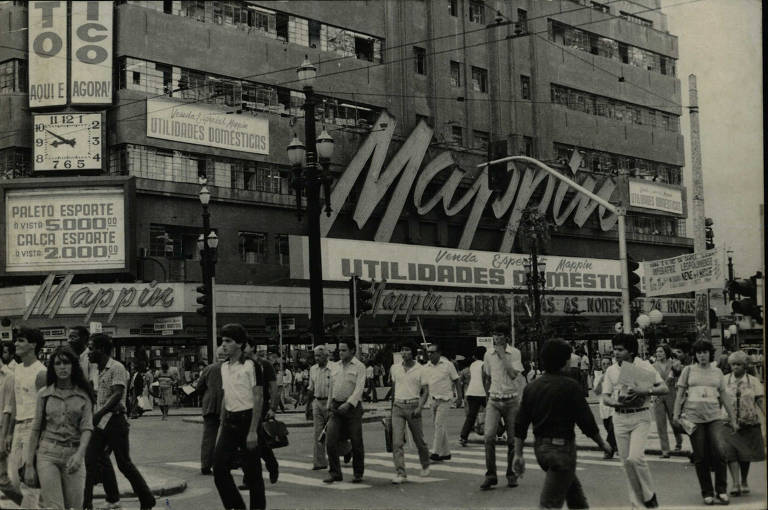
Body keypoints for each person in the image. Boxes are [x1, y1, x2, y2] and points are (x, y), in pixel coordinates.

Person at [513, 339, 613, 509]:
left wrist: (518, 454)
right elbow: (586, 422)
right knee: (549, 504)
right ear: (565, 361)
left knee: (574, 494)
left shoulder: (532, 387)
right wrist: (602, 443)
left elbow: (520, 424)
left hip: (541, 450)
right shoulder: (571, 387)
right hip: (562, 450)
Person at [83, 333, 155, 510]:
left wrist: (99, 413)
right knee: (91, 461)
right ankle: (86, 504)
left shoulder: (117, 367)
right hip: (100, 424)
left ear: (101, 349)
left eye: (91, 348)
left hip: (115, 421)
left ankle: (147, 498)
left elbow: (117, 393)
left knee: (124, 464)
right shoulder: (94, 369)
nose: (88, 352)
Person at [602, 333, 668, 509]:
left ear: (631, 351)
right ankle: (637, 504)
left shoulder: (644, 366)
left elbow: (663, 388)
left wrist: (645, 391)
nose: (616, 353)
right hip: (620, 417)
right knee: (626, 464)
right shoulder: (611, 370)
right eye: (614, 349)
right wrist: (615, 402)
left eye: (620, 349)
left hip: (640, 416)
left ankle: (649, 495)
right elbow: (605, 396)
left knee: (635, 458)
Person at [25, 346, 94, 510]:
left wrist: (79, 455)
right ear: (52, 367)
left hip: (73, 456)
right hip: (48, 455)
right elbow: (35, 430)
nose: (62, 367)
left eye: (66, 363)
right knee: (54, 507)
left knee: (75, 506)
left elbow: (87, 428)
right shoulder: (44, 394)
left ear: (73, 366)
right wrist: (29, 465)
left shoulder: (84, 395)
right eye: (58, 363)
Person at [673, 340, 737, 506]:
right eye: (699, 352)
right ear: (695, 354)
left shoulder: (717, 372)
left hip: (714, 417)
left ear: (710, 353)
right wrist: (675, 415)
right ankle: (707, 492)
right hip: (694, 419)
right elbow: (679, 394)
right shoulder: (688, 371)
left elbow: (724, 396)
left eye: (705, 352)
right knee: (700, 456)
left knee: (720, 452)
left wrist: (733, 418)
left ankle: (721, 491)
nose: (702, 355)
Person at [212, 324, 266, 510]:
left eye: (228, 341)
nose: (223, 345)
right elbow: (227, 395)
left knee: (252, 474)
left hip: (248, 420)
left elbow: (258, 397)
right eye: (222, 341)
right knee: (218, 468)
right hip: (229, 421)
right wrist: (221, 423)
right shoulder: (224, 367)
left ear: (240, 343)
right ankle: (235, 506)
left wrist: (253, 431)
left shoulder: (252, 366)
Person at [0, 327, 47, 508]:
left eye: (21, 340)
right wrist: (8, 433)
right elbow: (12, 405)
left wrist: (39, 439)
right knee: (15, 479)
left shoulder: (41, 372)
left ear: (33, 345)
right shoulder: (16, 370)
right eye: (16, 340)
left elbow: (44, 411)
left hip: (34, 430)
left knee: (30, 482)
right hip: (18, 428)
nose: (16, 344)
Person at [480, 332, 524, 490]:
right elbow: (487, 375)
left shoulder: (515, 353)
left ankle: (511, 474)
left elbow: (513, 374)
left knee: (512, 440)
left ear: (506, 338)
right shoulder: (487, 354)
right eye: (494, 336)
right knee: (489, 437)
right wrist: (486, 398)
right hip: (494, 400)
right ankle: (490, 475)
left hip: (511, 400)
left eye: (500, 335)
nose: (496, 339)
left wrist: (502, 355)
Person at [721, 350, 765, 497]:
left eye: (739, 364)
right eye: (733, 364)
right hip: (728, 423)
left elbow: (760, 401)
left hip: (749, 423)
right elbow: (717, 400)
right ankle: (735, 483)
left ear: (745, 365)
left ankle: (744, 480)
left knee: (745, 455)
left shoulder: (753, 381)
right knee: (730, 453)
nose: (735, 367)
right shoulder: (724, 380)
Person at [324, 339, 366, 484]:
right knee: (330, 440)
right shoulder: (335, 366)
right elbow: (331, 386)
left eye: (344, 350)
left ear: (352, 350)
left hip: (352, 408)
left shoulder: (359, 367)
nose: (340, 353)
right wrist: (329, 404)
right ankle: (335, 472)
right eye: (339, 350)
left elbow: (359, 388)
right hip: (336, 406)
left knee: (356, 440)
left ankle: (358, 473)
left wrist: (349, 403)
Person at [389, 341, 431, 484]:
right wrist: (391, 408)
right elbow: (394, 388)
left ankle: (425, 463)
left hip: (413, 404)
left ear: (413, 352)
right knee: (397, 442)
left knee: (419, 440)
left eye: (407, 350)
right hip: (398, 406)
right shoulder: (395, 368)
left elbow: (425, 391)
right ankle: (401, 473)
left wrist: (420, 407)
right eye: (402, 350)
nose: (404, 353)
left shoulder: (421, 369)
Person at [243, 338, 279, 486]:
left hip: (260, 407)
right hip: (243, 407)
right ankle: (249, 478)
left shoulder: (265, 365)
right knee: (245, 444)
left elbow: (274, 388)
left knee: (258, 443)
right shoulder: (241, 365)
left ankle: (271, 465)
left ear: (252, 347)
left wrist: (273, 408)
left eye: (244, 346)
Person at [425, 343, 460, 462]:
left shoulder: (448, 365)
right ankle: (446, 452)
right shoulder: (427, 366)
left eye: (432, 352)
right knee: (439, 425)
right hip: (432, 400)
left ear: (439, 353)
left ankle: (435, 452)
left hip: (445, 399)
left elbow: (456, 381)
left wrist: (460, 397)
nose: (430, 355)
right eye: (428, 352)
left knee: (438, 425)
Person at [195, 346, 225, 475]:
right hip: (227, 405)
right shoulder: (232, 369)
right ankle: (227, 462)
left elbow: (199, 387)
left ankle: (205, 464)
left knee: (209, 437)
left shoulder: (209, 368)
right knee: (228, 436)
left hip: (210, 406)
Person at [651, 344, 683, 457]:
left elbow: (680, 377)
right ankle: (665, 450)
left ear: (666, 352)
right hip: (658, 396)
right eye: (657, 352)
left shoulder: (673, 363)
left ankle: (679, 442)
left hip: (671, 394)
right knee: (660, 424)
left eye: (661, 351)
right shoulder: (653, 366)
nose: (658, 354)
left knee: (674, 421)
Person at [307, 345, 333, 471]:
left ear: (326, 356)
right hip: (317, 402)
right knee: (318, 433)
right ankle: (319, 462)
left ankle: (347, 449)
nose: (317, 358)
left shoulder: (334, 368)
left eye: (319, 356)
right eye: (315, 356)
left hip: (331, 403)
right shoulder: (313, 369)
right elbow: (311, 388)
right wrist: (307, 405)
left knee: (333, 433)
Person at [459, 346, 486, 447]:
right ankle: (499, 433)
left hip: (471, 392)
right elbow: (485, 379)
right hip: (483, 393)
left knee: (471, 416)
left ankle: (463, 437)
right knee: (495, 411)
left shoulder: (472, 365)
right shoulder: (485, 364)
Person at [592, 356, 618, 459]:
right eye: (604, 364)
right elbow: (596, 391)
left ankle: (608, 451)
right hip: (604, 408)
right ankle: (617, 446)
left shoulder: (615, 375)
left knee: (612, 428)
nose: (606, 366)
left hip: (613, 406)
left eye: (608, 364)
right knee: (609, 428)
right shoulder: (598, 376)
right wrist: (602, 379)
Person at [0, 341, 16, 495]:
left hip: (1, 430)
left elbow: (8, 409)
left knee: (3, 480)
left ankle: (33, 506)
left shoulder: (9, 376)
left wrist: (4, 436)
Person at [68, 326, 98, 390]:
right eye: (69, 337)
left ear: (84, 339)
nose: (69, 340)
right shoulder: (69, 357)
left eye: (73, 337)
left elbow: (93, 384)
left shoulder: (91, 357)